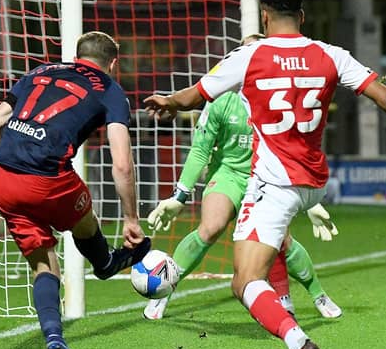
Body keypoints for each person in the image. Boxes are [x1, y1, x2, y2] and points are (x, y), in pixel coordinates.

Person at [144, 0, 386, 349]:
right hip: (315, 181)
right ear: (301, 15)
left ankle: (298, 341)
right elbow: (385, 96)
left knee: (245, 280)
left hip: (275, 181)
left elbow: (192, 98)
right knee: (270, 249)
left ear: (264, 15)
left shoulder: (250, 56)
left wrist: (167, 100)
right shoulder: (330, 55)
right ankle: (297, 311)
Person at [0, 31, 151, 349]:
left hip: (2, 176)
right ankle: (104, 261)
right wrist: (131, 218)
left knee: (44, 265)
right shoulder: (110, 90)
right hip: (47, 179)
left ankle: (55, 339)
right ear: (113, 63)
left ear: (76, 56)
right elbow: (122, 163)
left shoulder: (39, 71)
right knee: (83, 213)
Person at [145, 33, 342, 321]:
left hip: (265, 177)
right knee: (210, 228)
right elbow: (200, 151)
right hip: (227, 174)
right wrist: (180, 195)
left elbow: (295, 150)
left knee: (282, 241)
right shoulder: (220, 101)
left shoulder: (275, 101)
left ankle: (318, 294)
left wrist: (309, 201)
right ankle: (165, 290)